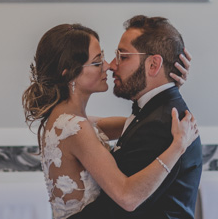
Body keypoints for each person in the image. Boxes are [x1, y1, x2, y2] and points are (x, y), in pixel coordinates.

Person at [23, 24, 199, 219]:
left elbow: (137, 124)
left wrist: (165, 87)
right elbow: (127, 197)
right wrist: (177, 146)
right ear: (69, 72)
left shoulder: (66, 120)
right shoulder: (75, 128)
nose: (108, 65)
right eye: (97, 62)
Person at [71, 16, 202, 219]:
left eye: (123, 57)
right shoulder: (153, 113)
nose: (112, 65)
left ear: (153, 65)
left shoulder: (160, 124)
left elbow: (118, 209)